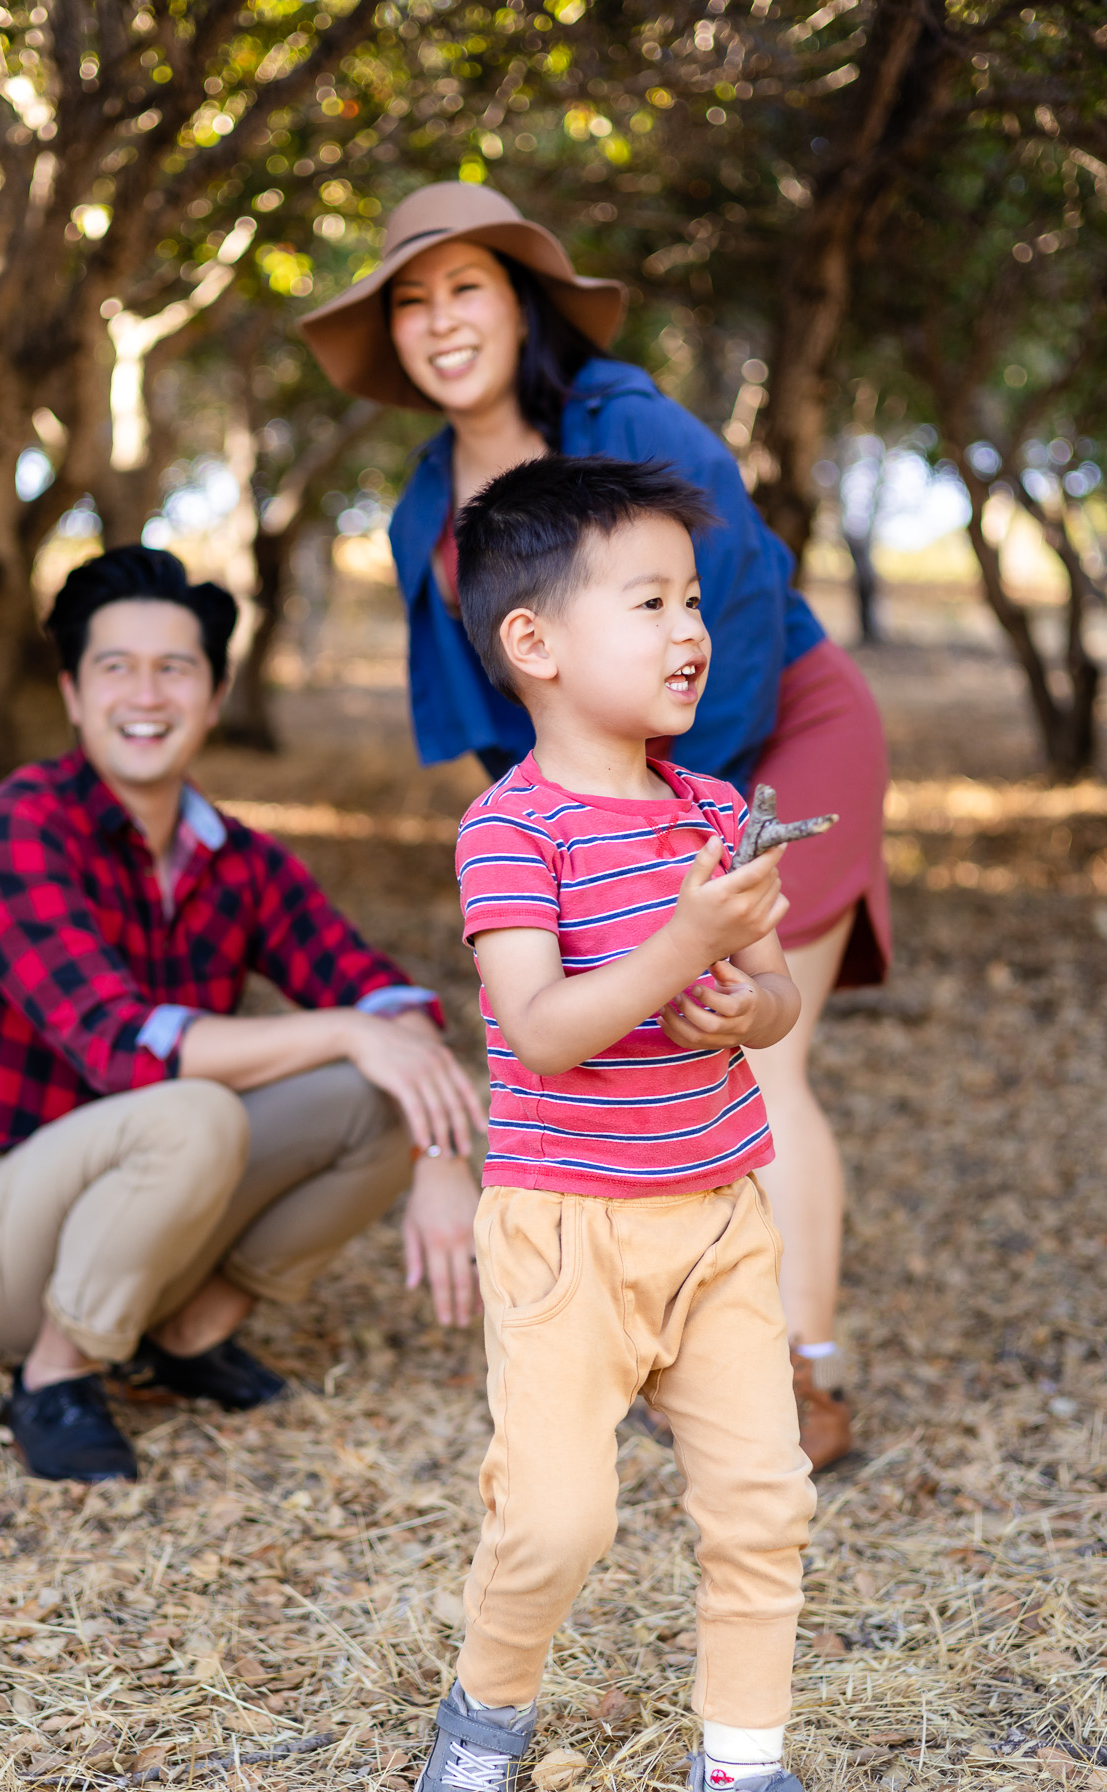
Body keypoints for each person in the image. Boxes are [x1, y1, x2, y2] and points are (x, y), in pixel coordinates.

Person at [300, 181, 892, 1469]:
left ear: (519, 305)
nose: (440, 320)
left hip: (768, 732)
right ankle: (647, 1332)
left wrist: (677, 826)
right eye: (411, 301)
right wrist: (550, 861)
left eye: (467, 287)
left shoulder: (620, 415)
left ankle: (800, 1371)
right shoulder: (425, 509)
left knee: (757, 1051)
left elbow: (724, 608)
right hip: (610, 786)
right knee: (609, 1037)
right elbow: (475, 723)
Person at [405, 456, 887, 1792]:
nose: (693, 630)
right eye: (651, 601)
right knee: (558, 1520)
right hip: (566, 1237)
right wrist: (681, 950)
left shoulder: (707, 814)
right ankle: (486, 1711)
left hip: (720, 1221)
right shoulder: (511, 831)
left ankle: (740, 1765)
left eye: (694, 600)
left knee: (762, 1500)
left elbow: (768, 1006)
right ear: (534, 644)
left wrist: (747, 1007)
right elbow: (543, 1035)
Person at [0, 546, 482, 1484]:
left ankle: (184, 1336)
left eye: (175, 668)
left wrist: (440, 1150)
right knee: (199, 1104)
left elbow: (381, 993)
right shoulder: (11, 829)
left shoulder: (239, 859)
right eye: (115, 667)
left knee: (378, 1093)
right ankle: (52, 1377)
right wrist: (346, 1032)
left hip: (152, 1208)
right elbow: (121, 1048)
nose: (146, 692)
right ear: (73, 694)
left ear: (214, 698)